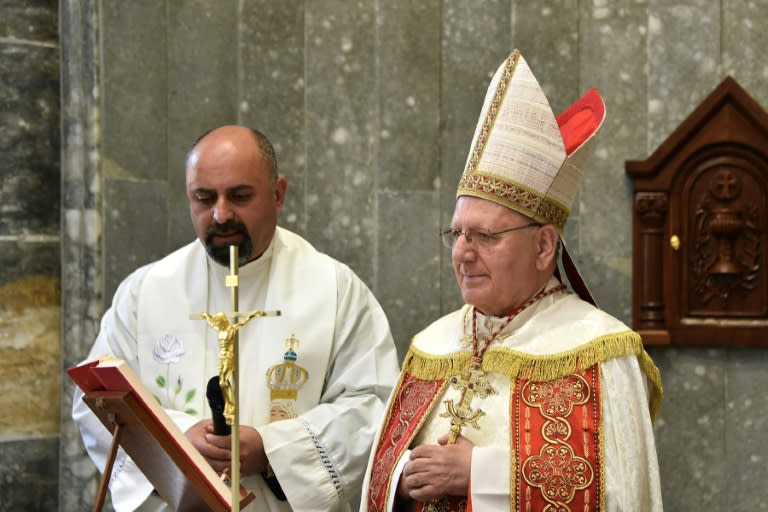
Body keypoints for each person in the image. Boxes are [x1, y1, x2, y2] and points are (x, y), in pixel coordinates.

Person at [361, 50, 664, 511]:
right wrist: (406, 476)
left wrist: (477, 475)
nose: (462, 253)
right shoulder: (432, 346)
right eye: (456, 234)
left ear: (544, 246)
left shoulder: (601, 351)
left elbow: (618, 493)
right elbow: (382, 471)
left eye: (485, 236)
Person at [72, 125, 401, 511]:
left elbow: (374, 405)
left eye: (240, 196)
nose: (221, 214)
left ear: (278, 193)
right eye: (203, 198)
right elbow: (96, 403)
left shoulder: (335, 289)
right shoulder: (145, 292)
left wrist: (273, 451)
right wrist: (180, 441)